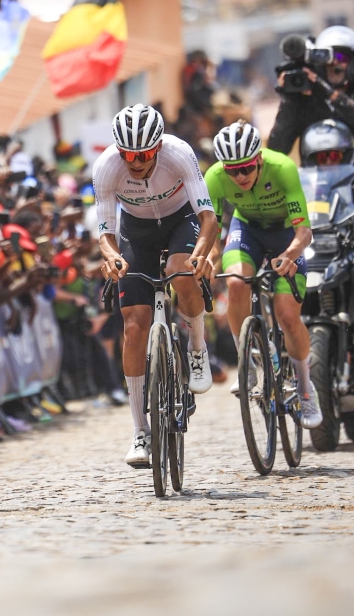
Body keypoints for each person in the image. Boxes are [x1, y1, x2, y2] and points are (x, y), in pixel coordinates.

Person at [93, 104, 219, 468]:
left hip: (181, 221)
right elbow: (105, 232)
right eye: (128, 155)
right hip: (137, 231)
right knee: (133, 325)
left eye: (144, 154)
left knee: (182, 273)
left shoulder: (179, 153)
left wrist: (200, 254)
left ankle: (197, 351)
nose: (135, 162)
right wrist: (113, 258)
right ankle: (140, 430)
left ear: (158, 147)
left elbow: (208, 218)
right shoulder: (106, 167)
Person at [202, 121, 321, 429]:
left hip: (286, 236)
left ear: (259, 160)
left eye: (246, 168)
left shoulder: (282, 168)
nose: (239, 177)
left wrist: (290, 255)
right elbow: (211, 229)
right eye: (232, 171)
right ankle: (248, 362)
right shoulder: (214, 177)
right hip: (248, 232)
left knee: (287, 315)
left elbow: (304, 231)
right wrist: (211, 256)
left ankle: (307, 389)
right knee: (237, 284)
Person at [268, 25, 354, 168]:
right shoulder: (306, 100)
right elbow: (276, 150)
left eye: (341, 57)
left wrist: (331, 95)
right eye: (327, 57)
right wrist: (289, 101)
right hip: (314, 184)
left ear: (353, 63)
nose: (334, 62)